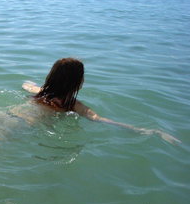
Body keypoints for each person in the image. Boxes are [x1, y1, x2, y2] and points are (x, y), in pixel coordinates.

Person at [22, 57, 181, 144]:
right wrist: (149, 131)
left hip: (15, 115)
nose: (84, 79)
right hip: (29, 127)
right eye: (82, 76)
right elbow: (103, 120)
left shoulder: (40, 92)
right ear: (76, 82)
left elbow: (25, 85)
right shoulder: (74, 106)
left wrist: (38, 85)